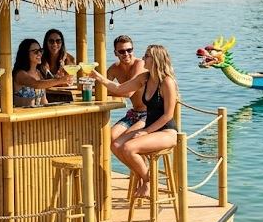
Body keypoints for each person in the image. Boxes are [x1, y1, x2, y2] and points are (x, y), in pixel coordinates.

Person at [92, 45, 178, 198]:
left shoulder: (167, 82)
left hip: (166, 131)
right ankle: (145, 177)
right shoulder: (145, 78)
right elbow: (119, 89)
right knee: (116, 145)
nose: (143, 58)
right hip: (150, 127)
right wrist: (98, 77)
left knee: (128, 148)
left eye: (147, 56)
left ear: (156, 60)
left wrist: (145, 131)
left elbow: (167, 115)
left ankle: (148, 182)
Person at [105, 35, 147, 141]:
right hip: (134, 113)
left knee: (125, 139)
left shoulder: (140, 64)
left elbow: (129, 93)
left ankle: (139, 157)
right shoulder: (115, 68)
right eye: (122, 51)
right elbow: (100, 86)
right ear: (116, 53)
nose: (126, 54)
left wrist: (107, 92)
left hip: (149, 114)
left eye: (129, 50)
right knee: (109, 137)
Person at [11, 39, 71, 107]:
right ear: (25, 54)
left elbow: (44, 100)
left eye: (40, 51)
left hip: (38, 114)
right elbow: (36, 84)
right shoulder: (20, 74)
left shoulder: (38, 73)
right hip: (22, 115)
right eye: (36, 52)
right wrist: (59, 80)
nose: (39, 54)